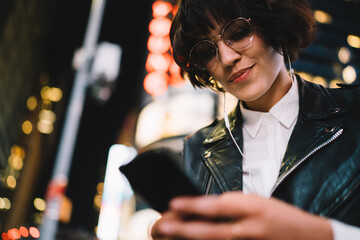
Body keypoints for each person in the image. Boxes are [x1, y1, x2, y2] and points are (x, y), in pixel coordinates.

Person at [151, 0, 360, 239]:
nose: (227, 57)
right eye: (208, 52)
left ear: (274, 23)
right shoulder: (197, 150)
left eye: (238, 33)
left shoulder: (354, 111)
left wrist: (324, 234)